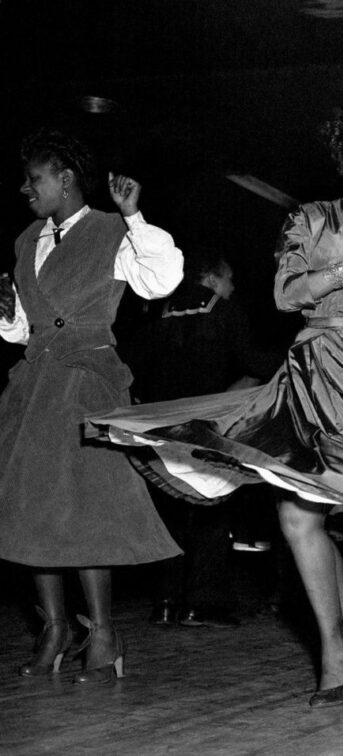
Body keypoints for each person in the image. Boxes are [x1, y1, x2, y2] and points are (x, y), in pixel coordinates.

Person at [89, 104, 343, 707]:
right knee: (297, 516)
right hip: (310, 374)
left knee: (315, 512)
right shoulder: (312, 218)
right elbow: (285, 294)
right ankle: (342, 637)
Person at [0, 128, 183, 683]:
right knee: (30, 507)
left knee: (86, 506)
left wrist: (134, 216)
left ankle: (104, 633)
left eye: (35, 179)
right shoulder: (27, 239)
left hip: (87, 383)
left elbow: (161, 280)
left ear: (65, 179)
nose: (26, 189)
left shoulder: (111, 230)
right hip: (34, 385)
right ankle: (55, 627)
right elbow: (23, 330)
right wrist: (9, 312)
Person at [125, 248, 279, 628]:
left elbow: (132, 365)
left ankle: (165, 601)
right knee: (213, 504)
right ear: (210, 278)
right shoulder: (224, 312)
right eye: (228, 279)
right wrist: (293, 357)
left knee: (172, 510)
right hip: (205, 425)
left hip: (160, 426)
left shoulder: (157, 311)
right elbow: (252, 363)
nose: (232, 286)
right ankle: (202, 603)